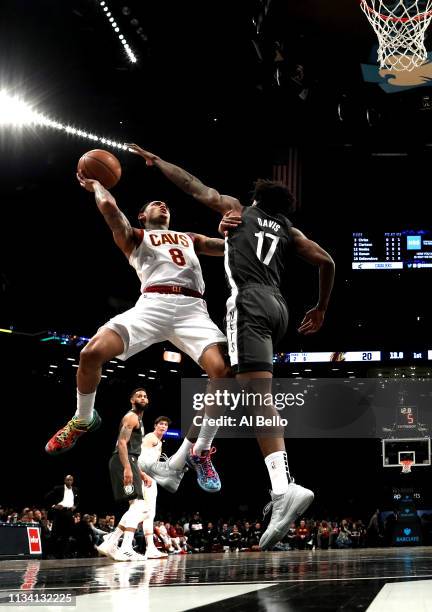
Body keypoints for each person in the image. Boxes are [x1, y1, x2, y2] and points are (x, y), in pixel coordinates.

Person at [127, 144, 335, 550]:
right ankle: (184, 461)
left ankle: (281, 486)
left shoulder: (241, 210)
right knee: (225, 380)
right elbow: (327, 261)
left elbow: (192, 185)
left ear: (256, 199)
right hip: (280, 307)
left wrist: (158, 162)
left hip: (250, 303)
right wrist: (322, 308)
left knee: (256, 397)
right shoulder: (289, 231)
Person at [45, 171, 232, 493]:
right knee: (90, 353)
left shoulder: (190, 238)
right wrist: (97, 185)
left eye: (165, 204)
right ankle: (83, 417)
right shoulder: (134, 236)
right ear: (142, 216)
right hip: (152, 304)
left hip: (193, 309)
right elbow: (110, 211)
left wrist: (243, 236)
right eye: (153, 204)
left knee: (225, 373)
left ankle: (200, 450)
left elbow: (230, 249)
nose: (162, 204)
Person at [96, 388, 152, 561]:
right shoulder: (131, 417)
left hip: (129, 462)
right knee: (139, 506)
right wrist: (127, 468)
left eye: (145, 396)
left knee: (137, 507)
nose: (142, 398)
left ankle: (111, 542)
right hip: (124, 462)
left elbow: (130, 449)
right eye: (139, 396)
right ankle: (123, 546)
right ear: (132, 400)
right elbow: (121, 443)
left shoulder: (139, 419)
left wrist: (140, 473)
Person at [138, 415, 173, 559]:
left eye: (166, 425)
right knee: (140, 511)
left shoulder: (159, 442)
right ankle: (114, 538)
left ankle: (150, 548)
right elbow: (139, 457)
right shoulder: (150, 438)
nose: (164, 426)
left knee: (149, 513)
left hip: (151, 477)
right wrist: (142, 474)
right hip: (144, 477)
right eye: (161, 424)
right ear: (155, 425)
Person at [45, 475, 79, 558]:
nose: (69, 481)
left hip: (69, 513)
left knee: (66, 535)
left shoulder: (75, 489)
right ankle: (50, 554)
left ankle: (63, 554)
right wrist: (54, 506)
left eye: (71, 480)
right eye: (67, 480)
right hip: (60, 512)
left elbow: (78, 501)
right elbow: (47, 497)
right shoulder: (58, 488)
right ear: (64, 480)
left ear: (73, 481)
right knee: (55, 534)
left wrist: (75, 506)